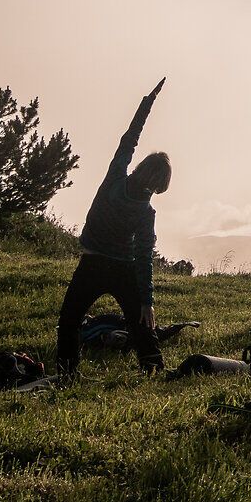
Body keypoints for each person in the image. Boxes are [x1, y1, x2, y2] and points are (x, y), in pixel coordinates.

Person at [55, 78, 170, 375]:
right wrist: (147, 302)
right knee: (141, 322)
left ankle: (68, 372)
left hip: (95, 263)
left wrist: (147, 102)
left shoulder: (117, 176)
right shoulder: (145, 211)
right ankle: (153, 368)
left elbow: (130, 137)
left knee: (70, 319)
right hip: (121, 269)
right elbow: (144, 258)